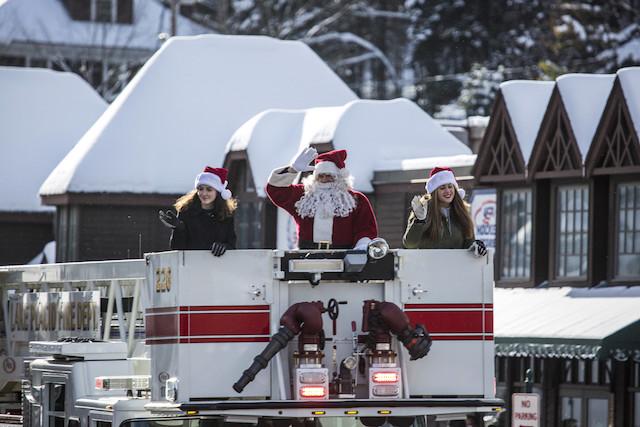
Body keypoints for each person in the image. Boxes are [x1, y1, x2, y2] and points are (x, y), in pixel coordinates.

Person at [266, 148, 377, 250]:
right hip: (306, 255)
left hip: (342, 255)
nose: (324, 179)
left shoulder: (355, 199)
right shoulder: (303, 196)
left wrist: (362, 245)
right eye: (321, 176)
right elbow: (275, 190)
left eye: (329, 176)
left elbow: (365, 228)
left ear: (339, 177)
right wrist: (292, 170)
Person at [403, 166, 487, 256]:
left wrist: (476, 246)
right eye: (442, 188)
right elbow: (409, 244)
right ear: (435, 192)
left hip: (455, 267)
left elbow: (467, 244)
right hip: (427, 267)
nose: (447, 191)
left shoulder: (461, 212)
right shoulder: (422, 211)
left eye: (450, 187)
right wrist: (419, 221)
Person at [158, 166, 237, 256]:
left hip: (217, 267)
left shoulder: (226, 215)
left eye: (209, 189)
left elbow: (232, 246)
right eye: (200, 189)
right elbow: (177, 248)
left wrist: (224, 247)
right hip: (191, 266)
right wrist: (179, 228)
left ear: (217, 192)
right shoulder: (186, 211)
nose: (204, 193)